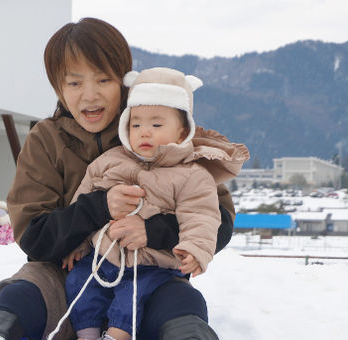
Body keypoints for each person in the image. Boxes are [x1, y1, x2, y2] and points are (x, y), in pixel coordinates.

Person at [0, 18, 238, 340]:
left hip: (147, 274)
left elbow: (217, 220)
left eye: (103, 80)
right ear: (58, 87)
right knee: (20, 295)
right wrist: (98, 208)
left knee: (180, 302)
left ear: (123, 83)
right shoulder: (46, 139)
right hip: (64, 275)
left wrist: (152, 231)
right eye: (74, 83)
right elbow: (33, 236)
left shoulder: (158, 128)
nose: (89, 96)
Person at [62, 67, 248, 340]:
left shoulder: (192, 174)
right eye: (136, 124)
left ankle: (116, 336)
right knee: (79, 281)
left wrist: (195, 248)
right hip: (104, 255)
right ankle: (87, 333)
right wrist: (75, 242)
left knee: (132, 295)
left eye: (156, 125)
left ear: (182, 130)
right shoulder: (110, 161)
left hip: (152, 264)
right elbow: (82, 199)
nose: (144, 132)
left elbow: (201, 215)